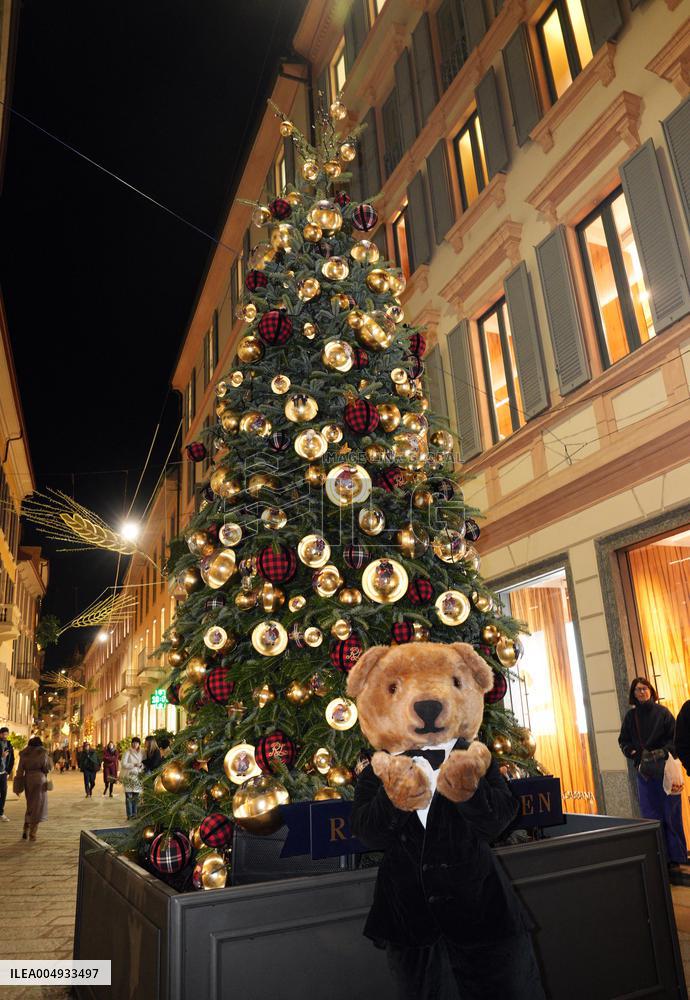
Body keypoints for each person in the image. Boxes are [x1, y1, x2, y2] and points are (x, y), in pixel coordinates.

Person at [619, 677, 686, 868]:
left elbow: (676, 739)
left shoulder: (663, 713)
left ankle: (677, 858)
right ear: (633, 694)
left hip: (666, 771)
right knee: (651, 816)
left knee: (671, 815)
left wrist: (662, 752)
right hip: (644, 774)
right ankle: (659, 859)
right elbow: (623, 741)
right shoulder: (630, 718)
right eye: (638, 689)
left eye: (645, 688)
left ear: (651, 690)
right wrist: (636, 754)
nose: (642, 692)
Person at [13, 736, 52, 841]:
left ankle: (25, 828)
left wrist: (18, 787)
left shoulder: (24, 754)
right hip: (40, 780)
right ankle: (33, 833)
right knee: (38, 806)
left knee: (30, 804)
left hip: (28, 780)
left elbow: (20, 771)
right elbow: (46, 768)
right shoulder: (42, 753)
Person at [120, 737, 144, 819]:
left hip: (137, 776)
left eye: (136, 743)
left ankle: (135, 814)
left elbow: (143, 763)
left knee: (136, 796)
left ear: (139, 744)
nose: (135, 744)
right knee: (129, 796)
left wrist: (141, 766)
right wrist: (133, 764)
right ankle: (129, 815)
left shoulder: (142, 752)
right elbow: (123, 764)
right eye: (133, 742)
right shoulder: (127, 752)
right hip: (129, 776)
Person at [0, 726, 15, 823]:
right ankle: (1, 813)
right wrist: (1, 756)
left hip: (3, 773)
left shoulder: (9, 745)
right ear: (0, 734)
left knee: (4, 792)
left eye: (7, 734)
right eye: (4, 734)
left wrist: (8, 771)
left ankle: (0, 812)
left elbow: (12, 759)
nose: (5, 736)